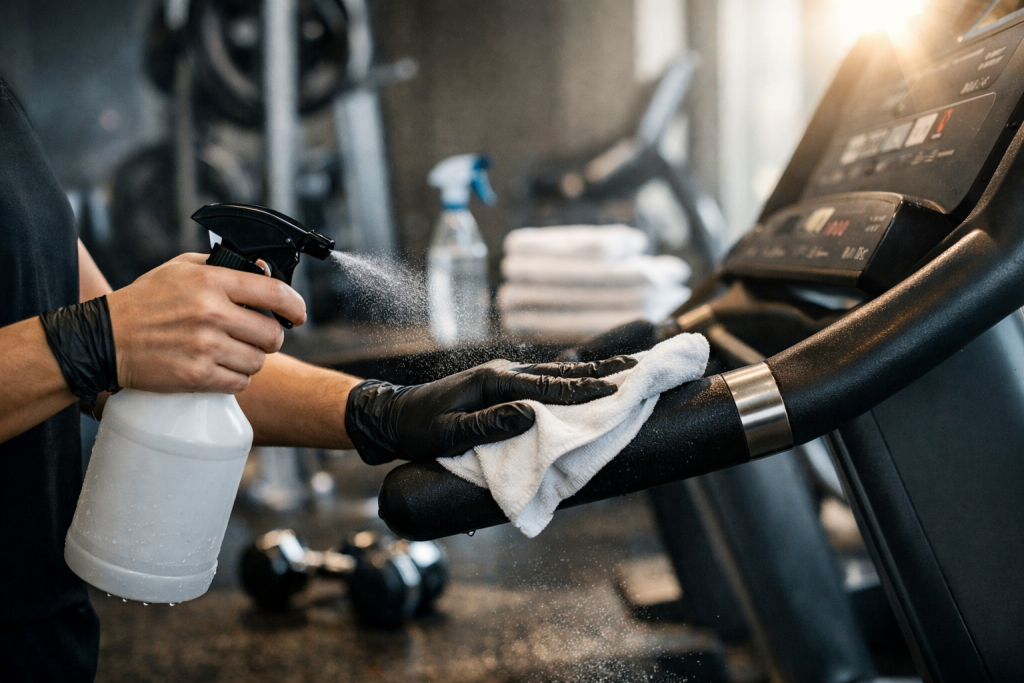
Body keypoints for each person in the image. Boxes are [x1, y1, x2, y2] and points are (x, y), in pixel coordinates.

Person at [0, 78, 634, 681]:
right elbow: (99, 344)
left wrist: (383, 414)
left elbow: (123, 369)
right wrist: (96, 338)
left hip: (49, 630)